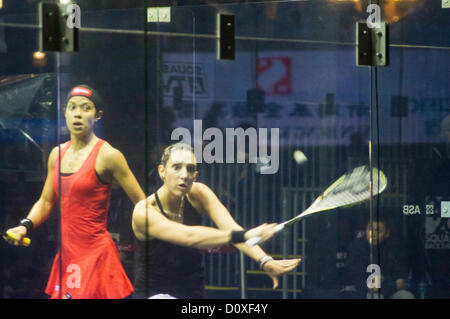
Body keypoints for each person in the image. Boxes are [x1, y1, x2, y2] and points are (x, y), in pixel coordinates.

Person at [4, 84, 146, 299]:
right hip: (68, 257)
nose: (78, 114)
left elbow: (142, 203)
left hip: (96, 257)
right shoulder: (57, 154)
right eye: (72, 107)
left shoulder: (109, 155)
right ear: (65, 112)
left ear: (98, 116)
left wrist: (156, 236)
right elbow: (45, 202)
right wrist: (25, 225)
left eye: (86, 108)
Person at [132, 142, 301, 299]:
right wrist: (245, 235)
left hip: (193, 292)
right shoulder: (144, 212)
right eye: (176, 167)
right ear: (162, 171)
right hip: (154, 294)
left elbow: (231, 226)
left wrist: (265, 260)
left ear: (195, 175)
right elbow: (189, 237)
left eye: (190, 169)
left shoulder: (199, 194)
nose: (184, 175)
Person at [341, 217, 414, 299]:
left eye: (378, 231)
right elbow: (358, 282)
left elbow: (402, 280)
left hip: (389, 289)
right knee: (376, 297)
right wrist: (391, 285)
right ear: (365, 230)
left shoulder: (395, 247)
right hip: (359, 291)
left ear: (387, 233)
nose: (373, 234)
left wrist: (384, 285)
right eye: (370, 229)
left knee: (407, 296)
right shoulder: (356, 247)